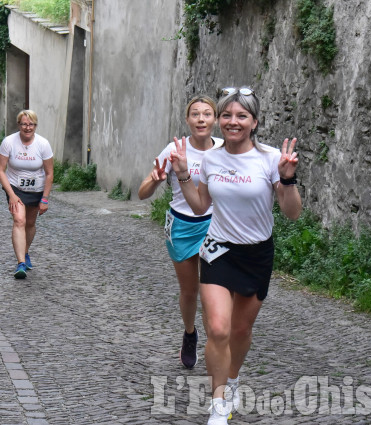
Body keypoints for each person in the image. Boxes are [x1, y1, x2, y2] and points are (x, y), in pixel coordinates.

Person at [170, 87, 302, 424]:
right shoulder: (212, 158)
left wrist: (288, 180)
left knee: (241, 331)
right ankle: (219, 403)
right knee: (217, 328)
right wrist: (184, 172)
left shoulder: (271, 158)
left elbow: (292, 213)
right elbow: (201, 205)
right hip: (218, 251)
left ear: (254, 122)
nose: (232, 121)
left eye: (241, 116)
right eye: (227, 115)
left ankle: (232, 378)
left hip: (257, 254)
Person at [138, 95, 223, 369]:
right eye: (195, 114)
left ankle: (217, 344)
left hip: (215, 225)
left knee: (216, 289)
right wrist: (154, 180)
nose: (201, 119)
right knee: (189, 291)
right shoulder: (174, 149)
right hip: (182, 226)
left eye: (207, 114)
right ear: (187, 120)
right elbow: (142, 193)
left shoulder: (224, 149)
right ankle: (189, 334)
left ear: (215, 120)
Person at [0, 110, 54, 279]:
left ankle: (25, 252)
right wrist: (11, 194)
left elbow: (49, 173)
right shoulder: (9, 142)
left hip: (37, 189)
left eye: (31, 124)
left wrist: (45, 198)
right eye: (24, 124)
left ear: (35, 126)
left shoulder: (43, 144)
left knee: (29, 223)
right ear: (18, 125)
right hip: (15, 188)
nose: (27, 128)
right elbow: (0, 170)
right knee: (19, 220)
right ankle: (20, 262)